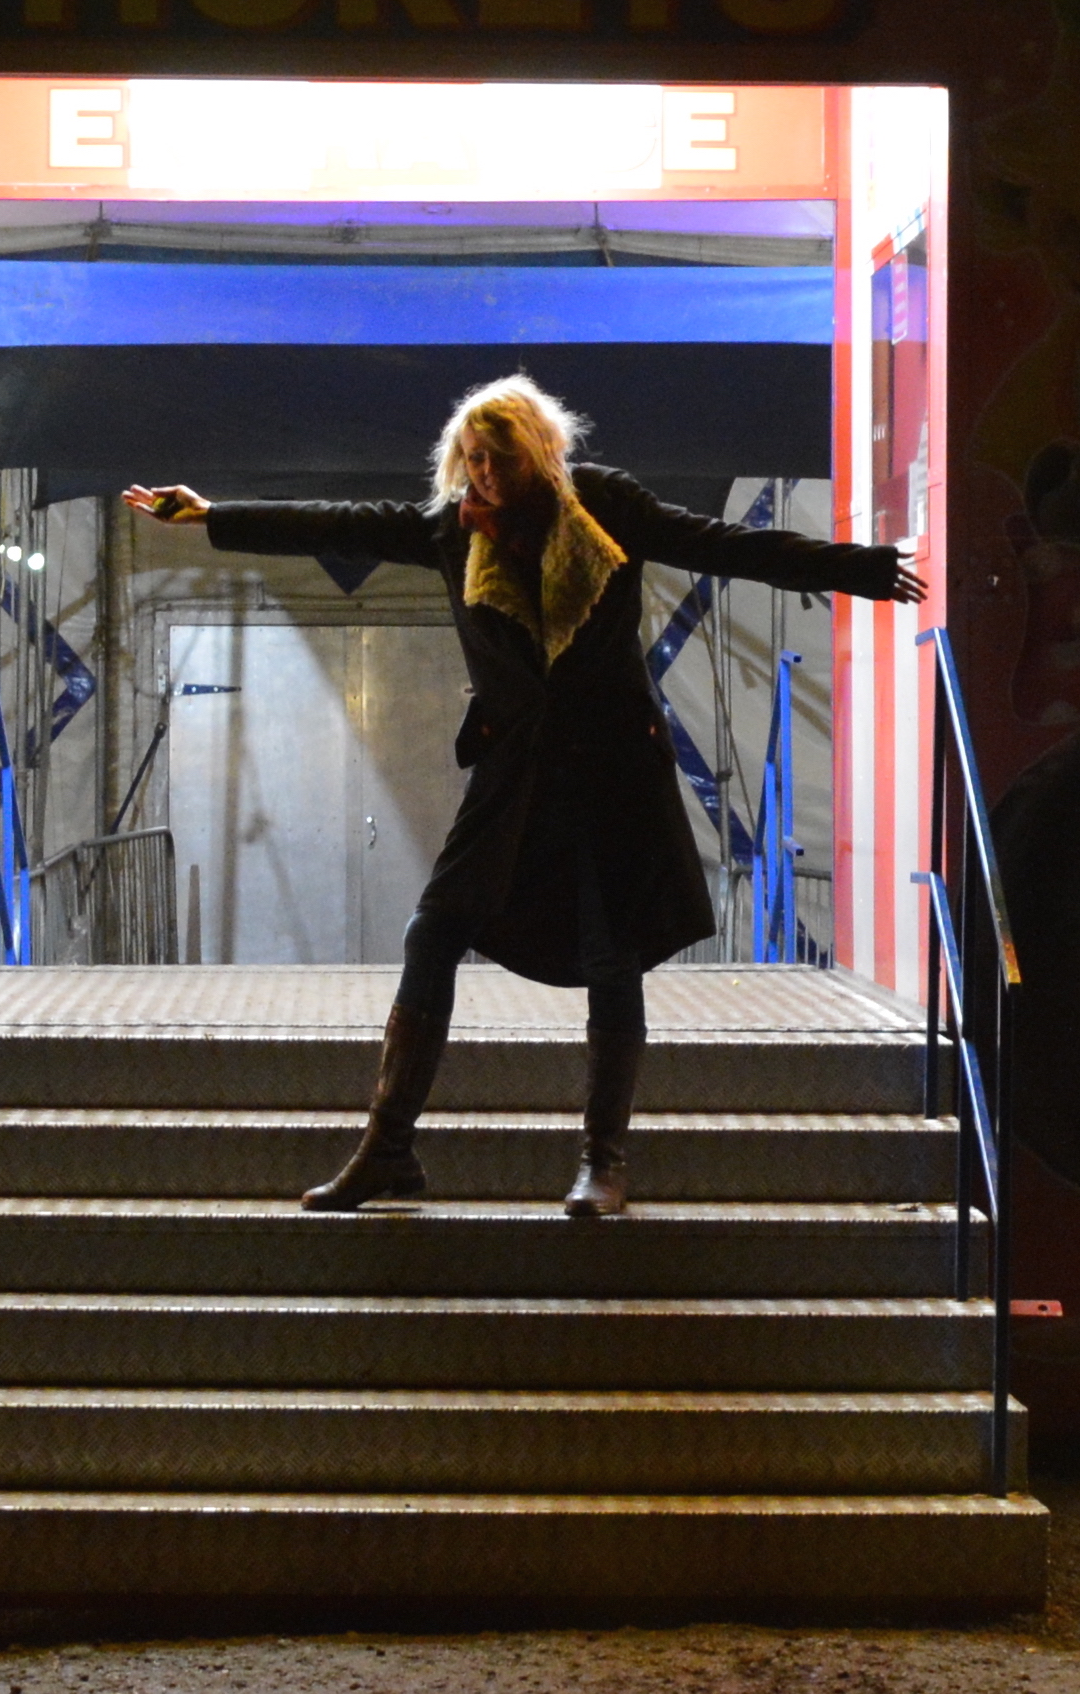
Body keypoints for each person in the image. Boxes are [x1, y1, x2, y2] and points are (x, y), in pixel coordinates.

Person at [122, 372, 925, 1219]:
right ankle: (388, 1150)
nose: (484, 475)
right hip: (515, 773)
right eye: (471, 459)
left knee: (613, 954)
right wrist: (211, 514)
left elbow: (725, 545)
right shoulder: (450, 531)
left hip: (614, 767)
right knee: (432, 931)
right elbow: (339, 522)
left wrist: (863, 570)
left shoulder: (607, 508)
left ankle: (602, 1164)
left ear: (537, 451)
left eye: (497, 457)